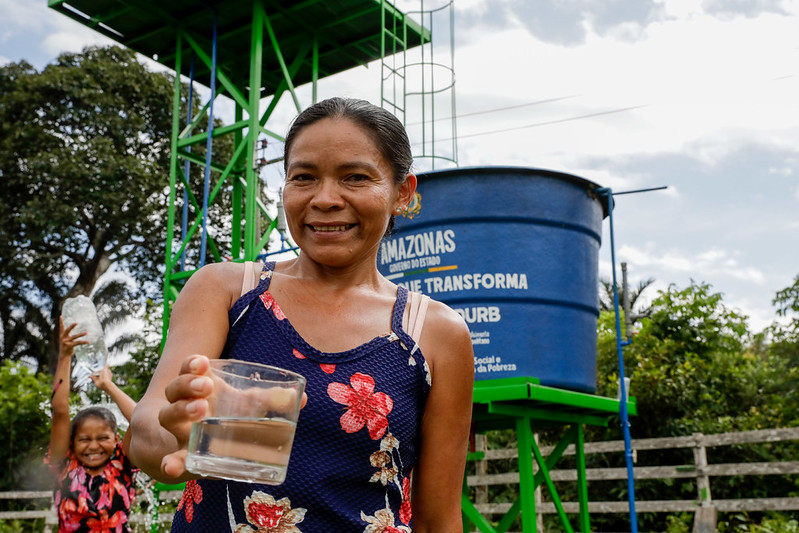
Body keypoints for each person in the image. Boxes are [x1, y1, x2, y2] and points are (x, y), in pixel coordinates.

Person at [128, 97, 475, 532]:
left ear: (402, 193)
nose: (325, 199)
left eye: (355, 177)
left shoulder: (436, 333)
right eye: (304, 177)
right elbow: (145, 429)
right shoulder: (226, 292)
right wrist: (184, 435)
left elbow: (439, 521)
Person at [47, 317, 139, 533]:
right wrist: (65, 356)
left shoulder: (122, 464)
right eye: (84, 439)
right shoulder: (64, 464)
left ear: (116, 440)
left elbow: (139, 419)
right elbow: (60, 411)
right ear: (72, 441)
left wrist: (108, 385)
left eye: (103, 438)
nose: (93, 446)